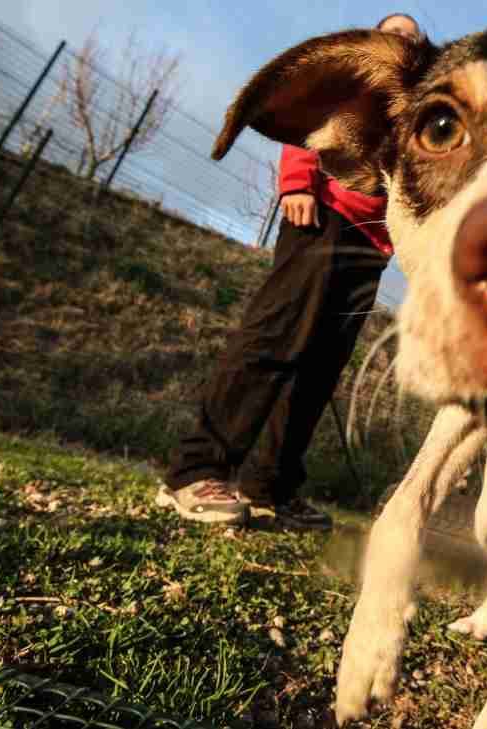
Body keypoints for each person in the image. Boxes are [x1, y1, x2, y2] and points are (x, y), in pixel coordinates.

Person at [155, 14, 427, 530]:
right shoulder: (354, 84)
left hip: (374, 245)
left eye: (414, 38)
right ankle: (195, 470)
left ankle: (270, 487)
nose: (405, 43)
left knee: (322, 365)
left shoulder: (412, 105)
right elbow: (313, 120)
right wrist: (298, 183)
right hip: (325, 219)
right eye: (396, 33)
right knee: (275, 339)